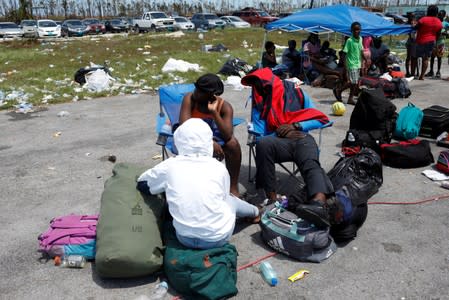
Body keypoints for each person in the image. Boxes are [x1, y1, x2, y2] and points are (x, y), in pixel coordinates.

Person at [137, 118, 260, 249]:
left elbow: (143, 184)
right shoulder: (218, 168)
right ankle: (255, 212)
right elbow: (223, 198)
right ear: (208, 142)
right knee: (230, 200)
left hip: (184, 238)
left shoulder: (169, 166)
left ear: (179, 140)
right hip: (218, 238)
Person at [179, 73, 242, 196]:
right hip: (191, 140)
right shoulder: (190, 99)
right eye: (196, 88)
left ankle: (232, 187)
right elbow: (184, 127)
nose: (196, 92)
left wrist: (214, 113)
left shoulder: (225, 107)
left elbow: (227, 135)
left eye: (200, 91)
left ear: (211, 94)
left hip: (215, 139)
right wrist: (209, 142)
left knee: (233, 144)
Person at [333, 22, 365, 105]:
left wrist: (365, 60)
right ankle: (339, 90)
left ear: (360, 30)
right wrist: (345, 66)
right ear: (351, 31)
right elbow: (343, 54)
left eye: (358, 29)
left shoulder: (361, 39)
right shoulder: (349, 41)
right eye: (355, 30)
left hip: (358, 64)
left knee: (355, 83)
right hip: (351, 64)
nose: (356, 31)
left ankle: (350, 98)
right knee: (353, 82)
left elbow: (361, 50)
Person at [414, 5, 442, 80]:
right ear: (436, 12)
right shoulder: (439, 21)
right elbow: (438, 34)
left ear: (428, 11)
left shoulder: (423, 19)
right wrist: (435, 43)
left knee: (415, 57)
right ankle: (422, 76)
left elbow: (416, 27)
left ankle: (414, 73)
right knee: (426, 59)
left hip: (420, 40)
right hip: (431, 41)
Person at [426, 10, 447, 78]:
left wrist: (446, 33)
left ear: (444, 16)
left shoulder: (446, 23)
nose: (439, 16)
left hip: (441, 42)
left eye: (441, 14)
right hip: (433, 41)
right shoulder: (435, 22)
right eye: (438, 14)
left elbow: (447, 31)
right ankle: (431, 71)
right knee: (432, 57)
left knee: (439, 57)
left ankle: (438, 71)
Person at [405, 13, 418, 77]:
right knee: (412, 58)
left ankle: (411, 72)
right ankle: (410, 72)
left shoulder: (411, 23)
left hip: (413, 42)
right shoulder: (410, 24)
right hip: (412, 42)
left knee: (412, 58)